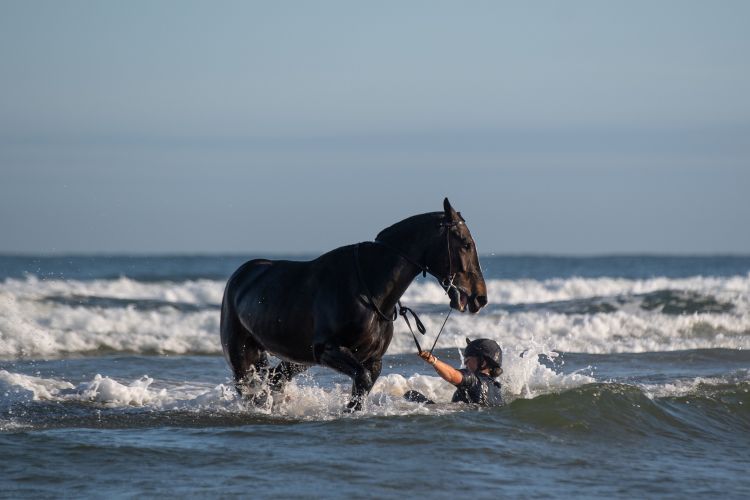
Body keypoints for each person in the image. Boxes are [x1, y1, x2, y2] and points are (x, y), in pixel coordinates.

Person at [404, 338, 504, 406]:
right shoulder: (497, 389)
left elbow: (453, 375)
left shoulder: (474, 380)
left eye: (468, 359)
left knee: (411, 395)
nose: (465, 363)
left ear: (483, 363)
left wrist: (433, 361)